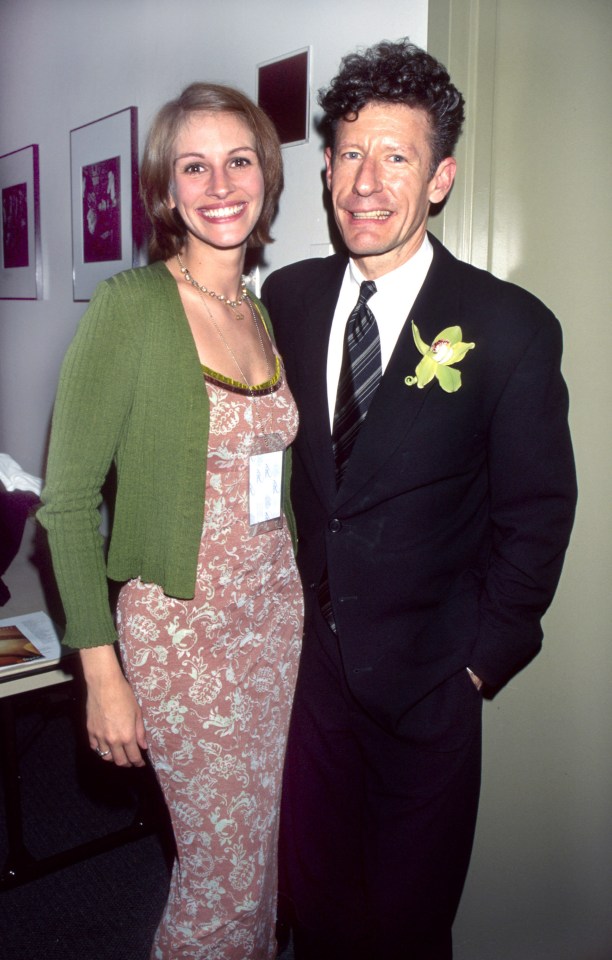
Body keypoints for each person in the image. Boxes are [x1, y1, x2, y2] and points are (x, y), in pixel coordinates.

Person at [261, 39, 577, 960]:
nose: (367, 180)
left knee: (403, 927)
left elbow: (537, 516)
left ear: (439, 179)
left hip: (432, 687)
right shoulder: (289, 297)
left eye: (396, 156)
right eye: (351, 153)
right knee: (313, 910)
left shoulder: (509, 327)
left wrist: (477, 663)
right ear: (324, 169)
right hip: (310, 685)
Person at [39, 83, 303, 960]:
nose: (219, 183)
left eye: (239, 160)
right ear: (166, 187)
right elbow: (67, 507)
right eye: (195, 165)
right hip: (182, 638)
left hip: (276, 630)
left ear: (265, 176)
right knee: (221, 884)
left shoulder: (257, 312)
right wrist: (101, 673)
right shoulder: (132, 308)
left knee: (262, 865)